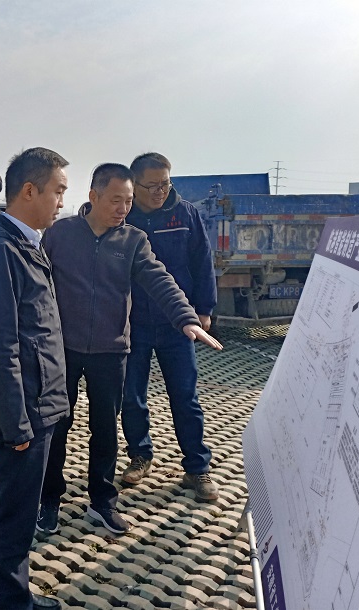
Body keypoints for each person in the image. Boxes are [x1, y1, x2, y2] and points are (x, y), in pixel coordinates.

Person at [38, 164, 222, 536]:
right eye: (115, 200)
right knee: (57, 426)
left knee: (105, 430)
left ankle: (102, 503)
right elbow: (38, 284)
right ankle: (49, 500)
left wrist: (186, 318)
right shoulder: (60, 234)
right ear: (93, 196)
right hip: (64, 349)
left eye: (128, 201)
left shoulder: (133, 240)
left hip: (111, 350)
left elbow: (159, 279)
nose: (123, 209)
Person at [0, 147, 69, 610]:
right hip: (23, 412)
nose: (62, 202)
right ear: (29, 190)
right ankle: (8, 602)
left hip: (40, 403)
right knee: (11, 515)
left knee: (22, 512)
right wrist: (16, 424)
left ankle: (15, 595)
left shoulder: (25, 242)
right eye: (58, 191)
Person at [121, 152, 220, 501]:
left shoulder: (185, 214)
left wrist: (203, 309)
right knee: (131, 395)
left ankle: (197, 467)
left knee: (185, 395)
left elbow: (202, 261)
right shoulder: (122, 215)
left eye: (165, 184)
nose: (160, 192)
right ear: (135, 185)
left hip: (176, 324)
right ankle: (140, 455)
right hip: (132, 323)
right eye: (152, 186)